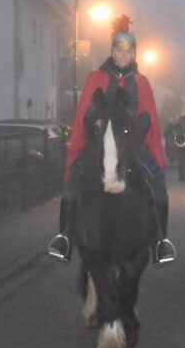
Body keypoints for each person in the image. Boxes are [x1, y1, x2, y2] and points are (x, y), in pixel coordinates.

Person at [47, 15, 177, 265]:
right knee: (74, 175)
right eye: (119, 50)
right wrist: (95, 122)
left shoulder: (142, 82)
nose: (124, 56)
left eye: (129, 52)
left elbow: (148, 115)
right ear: (113, 51)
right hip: (99, 143)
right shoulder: (96, 78)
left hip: (131, 144)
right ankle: (64, 237)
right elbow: (85, 113)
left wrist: (134, 137)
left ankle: (161, 241)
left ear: (134, 54)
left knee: (157, 179)